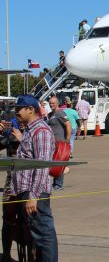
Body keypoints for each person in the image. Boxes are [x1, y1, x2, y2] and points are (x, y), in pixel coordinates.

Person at [10, 94, 58, 261]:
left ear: (30, 110)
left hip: (35, 193)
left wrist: (33, 196)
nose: (16, 113)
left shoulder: (41, 131)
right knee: (36, 236)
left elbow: (42, 166)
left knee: (44, 235)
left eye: (18, 110)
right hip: (27, 192)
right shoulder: (31, 130)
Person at [1, 113, 23, 261]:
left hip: (29, 184)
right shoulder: (11, 135)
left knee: (30, 222)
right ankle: (7, 255)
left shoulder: (35, 133)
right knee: (7, 220)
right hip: (11, 182)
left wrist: (22, 139)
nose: (20, 123)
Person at [47, 97, 71, 191]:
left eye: (53, 103)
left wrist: (68, 139)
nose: (51, 104)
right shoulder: (51, 114)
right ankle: (55, 183)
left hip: (60, 142)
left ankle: (59, 185)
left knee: (59, 163)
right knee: (54, 164)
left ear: (57, 103)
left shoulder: (60, 113)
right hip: (53, 143)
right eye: (50, 103)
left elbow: (68, 125)